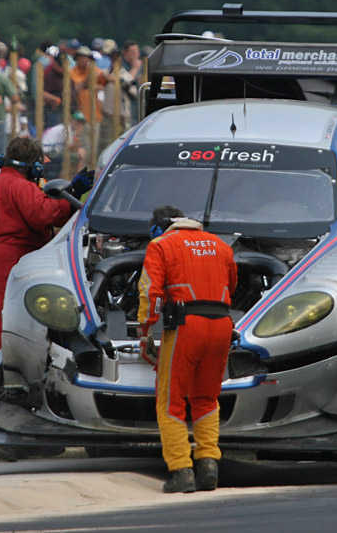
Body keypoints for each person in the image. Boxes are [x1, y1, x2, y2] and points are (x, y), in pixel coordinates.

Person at [0, 137, 81, 385]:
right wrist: (73, 194)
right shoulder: (20, 185)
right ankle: (3, 395)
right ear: (34, 167)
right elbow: (43, 214)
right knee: (2, 338)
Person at [137, 205, 237, 493]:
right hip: (221, 325)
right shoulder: (219, 244)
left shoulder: (161, 245)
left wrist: (146, 332)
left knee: (171, 401)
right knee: (206, 398)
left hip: (185, 326)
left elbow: (150, 291)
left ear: (159, 226)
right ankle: (208, 465)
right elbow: (233, 283)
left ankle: (181, 471)